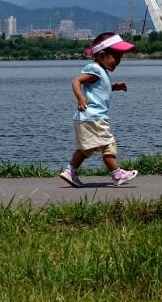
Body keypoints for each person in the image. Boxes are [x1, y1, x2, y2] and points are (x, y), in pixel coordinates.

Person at [59, 31, 139, 187]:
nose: (119, 61)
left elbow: (99, 89)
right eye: (116, 57)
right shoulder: (95, 69)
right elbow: (76, 81)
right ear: (102, 55)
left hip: (87, 118)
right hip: (94, 117)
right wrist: (80, 98)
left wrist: (114, 87)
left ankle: (70, 171)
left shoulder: (101, 72)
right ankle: (117, 174)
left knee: (85, 149)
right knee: (107, 145)